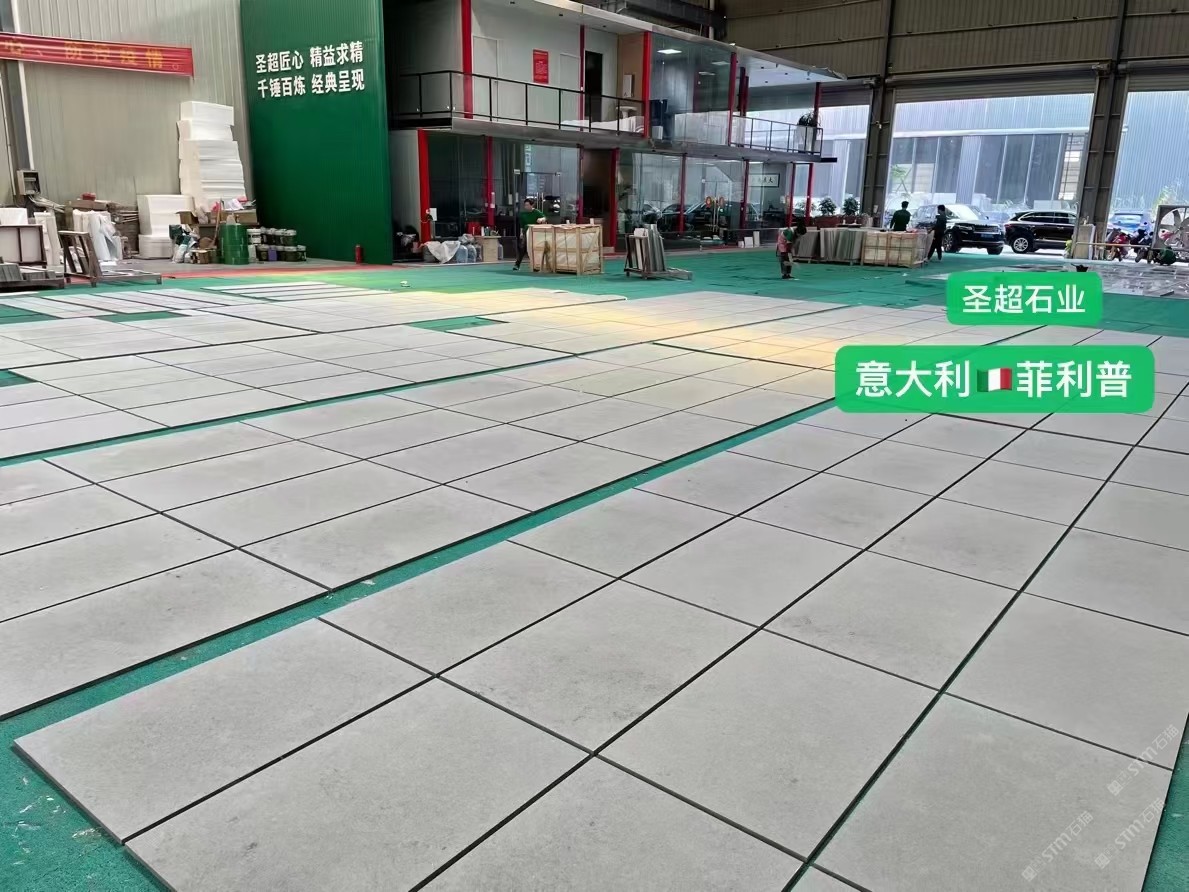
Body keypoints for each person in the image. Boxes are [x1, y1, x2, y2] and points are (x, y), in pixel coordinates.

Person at [512, 198, 546, 271]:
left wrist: (541, 219)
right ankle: (517, 264)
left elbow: (544, 218)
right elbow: (522, 225)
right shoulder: (523, 214)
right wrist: (521, 233)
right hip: (526, 232)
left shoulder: (536, 212)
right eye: (525, 205)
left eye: (527, 205)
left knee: (535, 248)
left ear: (532, 205)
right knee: (522, 248)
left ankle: (536, 265)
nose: (526, 206)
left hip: (535, 233)